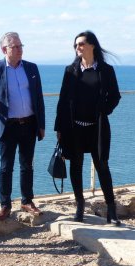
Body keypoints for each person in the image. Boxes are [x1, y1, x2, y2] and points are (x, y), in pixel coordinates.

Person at [0, 32, 45, 221]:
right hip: (7, 125)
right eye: (16, 47)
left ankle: (27, 201)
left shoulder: (31, 68)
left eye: (21, 46)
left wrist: (41, 124)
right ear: (5, 49)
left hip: (29, 123)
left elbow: (38, 98)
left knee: (27, 165)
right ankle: (5, 205)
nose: (20, 50)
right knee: (6, 167)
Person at [54, 30, 121, 226]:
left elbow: (115, 96)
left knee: (102, 167)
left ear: (92, 45)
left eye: (81, 44)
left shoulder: (106, 70)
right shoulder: (70, 70)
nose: (78, 48)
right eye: (75, 45)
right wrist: (59, 128)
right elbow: (63, 100)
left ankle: (111, 210)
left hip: (97, 128)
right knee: (76, 167)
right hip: (74, 128)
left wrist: (104, 111)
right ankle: (80, 207)